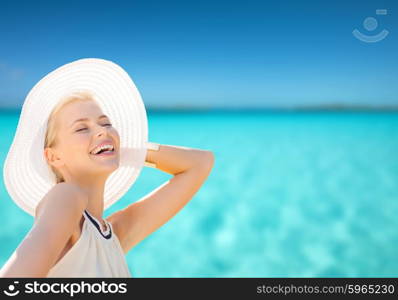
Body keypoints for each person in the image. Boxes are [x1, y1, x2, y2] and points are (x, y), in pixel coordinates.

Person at [0, 58, 214, 277]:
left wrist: (123, 149)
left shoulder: (114, 234)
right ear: (53, 157)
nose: (102, 130)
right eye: (81, 128)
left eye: (105, 123)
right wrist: (107, 146)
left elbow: (200, 163)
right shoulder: (65, 196)